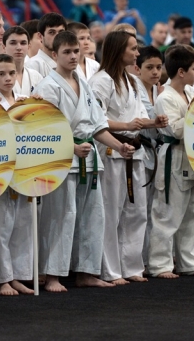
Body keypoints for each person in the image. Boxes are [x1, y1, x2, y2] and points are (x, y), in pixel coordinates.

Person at [33, 31, 135, 292]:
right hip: (62, 162)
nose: (72, 56)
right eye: (66, 52)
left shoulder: (84, 84)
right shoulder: (48, 87)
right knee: (61, 217)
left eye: (75, 51)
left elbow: (98, 126)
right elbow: (43, 129)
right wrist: (71, 147)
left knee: (93, 217)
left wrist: (119, 146)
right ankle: (52, 275)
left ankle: (86, 272)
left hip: (88, 158)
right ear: (54, 54)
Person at [89, 31, 168, 284]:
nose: (137, 53)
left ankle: (132, 267)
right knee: (111, 213)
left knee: (136, 212)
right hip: (112, 149)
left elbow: (139, 116)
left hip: (135, 149)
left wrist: (154, 122)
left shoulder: (132, 81)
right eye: (133, 48)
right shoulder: (100, 81)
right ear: (118, 50)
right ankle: (110, 270)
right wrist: (126, 125)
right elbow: (96, 119)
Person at [147, 45, 194, 278]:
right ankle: (160, 264)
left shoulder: (192, 92)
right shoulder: (165, 97)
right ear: (181, 72)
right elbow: (175, 129)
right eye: (193, 69)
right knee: (167, 214)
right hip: (174, 156)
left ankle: (190, 263)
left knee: (193, 213)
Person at [0, 54, 36, 296]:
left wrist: (38, 108)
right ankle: (2, 278)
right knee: (1, 225)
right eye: (1, 74)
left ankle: (18, 275)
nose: (8, 78)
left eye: (11, 73)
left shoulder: (24, 100)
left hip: (24, 167)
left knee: (23, 223)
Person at [134, 46, 164, 266]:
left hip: (156, 151)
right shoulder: (133, 89)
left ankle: (149, 258)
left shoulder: (159, 90)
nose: (155, 72)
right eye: (149, 67)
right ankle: (137, 261)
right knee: (138, 210)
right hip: (139, 150)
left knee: (153, 209)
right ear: (138, 68)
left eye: (159, 67)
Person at [2, 25, 42, 95]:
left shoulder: (36, 76)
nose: (19, 48)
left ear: (28, 46)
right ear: (4, 47)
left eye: (23, 43)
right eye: (13, 43)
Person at [25, 13, 66, 77]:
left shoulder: (70, 62)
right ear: (40, 36)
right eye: (51, 32)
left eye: (61, 32)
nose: (57, 36)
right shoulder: (32, 65)